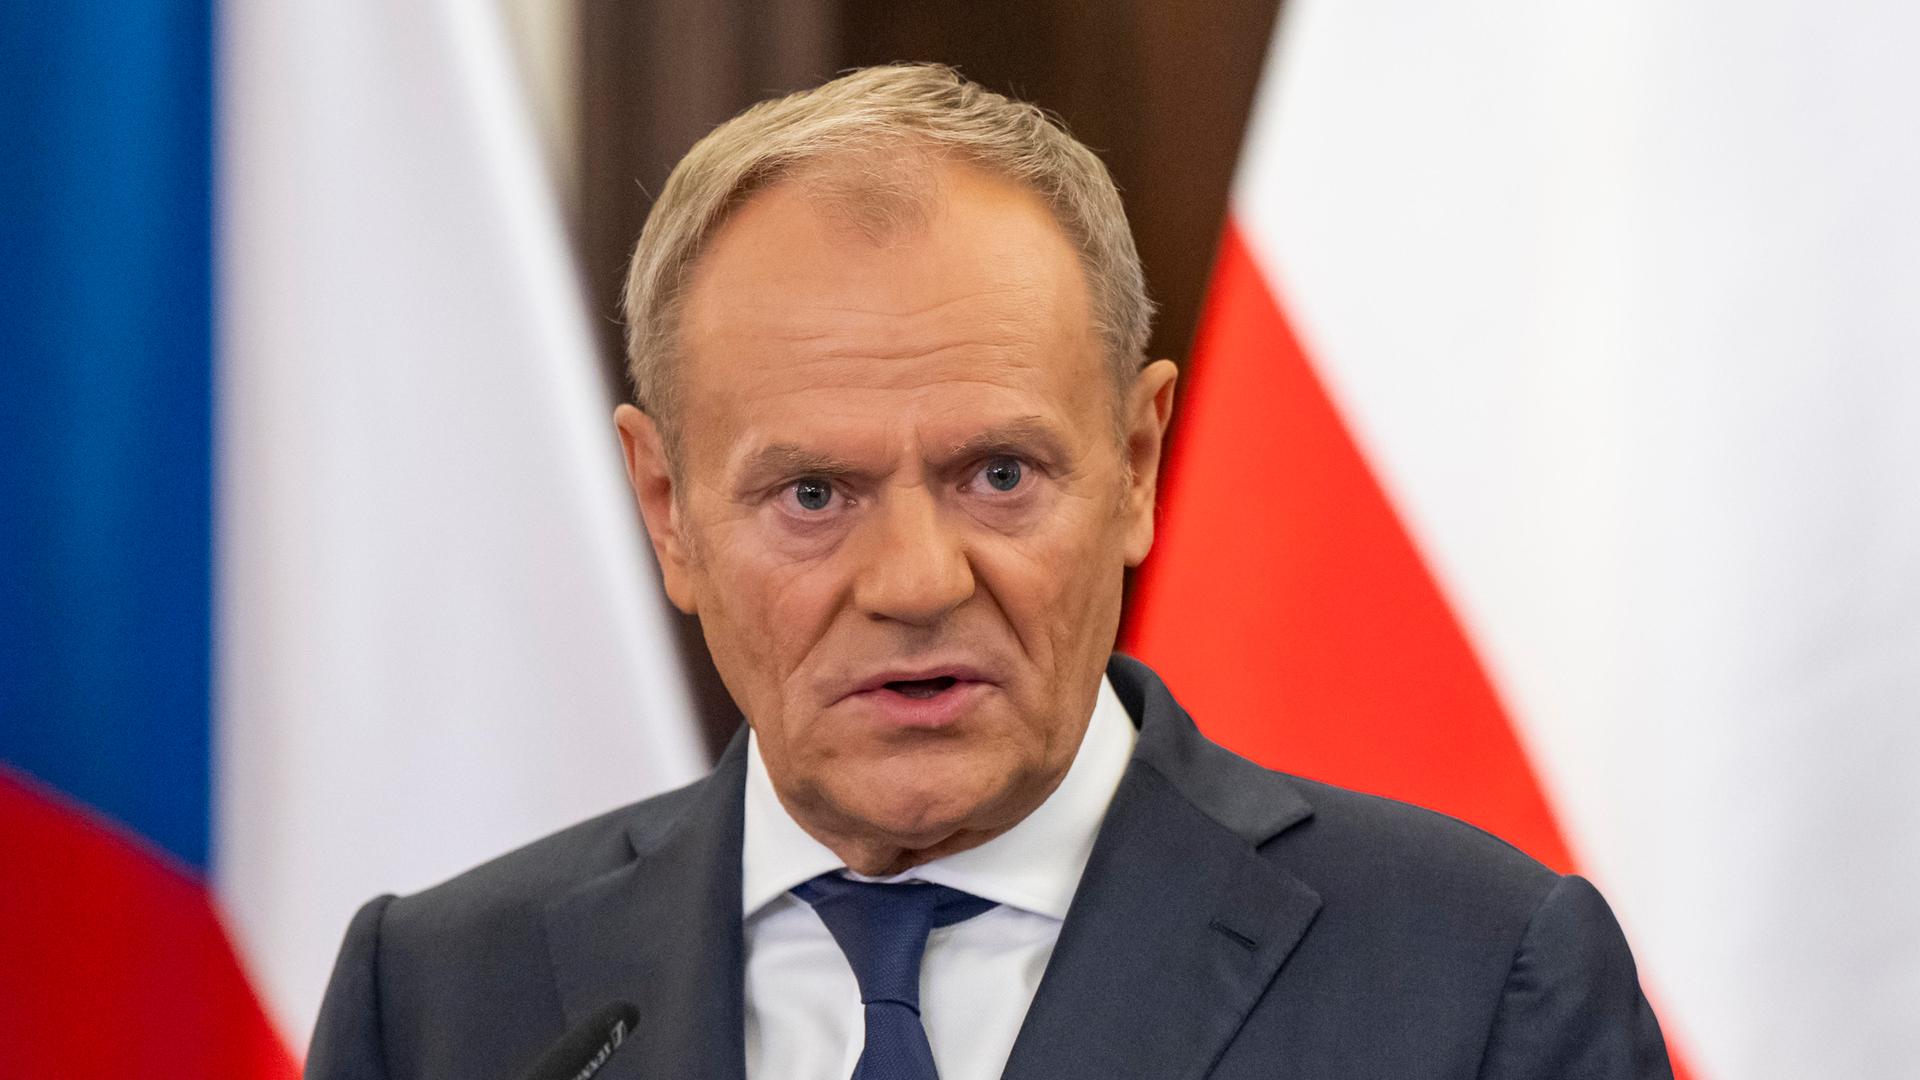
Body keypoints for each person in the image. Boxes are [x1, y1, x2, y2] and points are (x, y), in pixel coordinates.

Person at [306, 64, 1672, 1080]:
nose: (914, 579)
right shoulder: (438, 1000)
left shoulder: (1476, 977)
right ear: (667, 510)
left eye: (998, 476)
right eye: (814, 494)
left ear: (1136, 463)